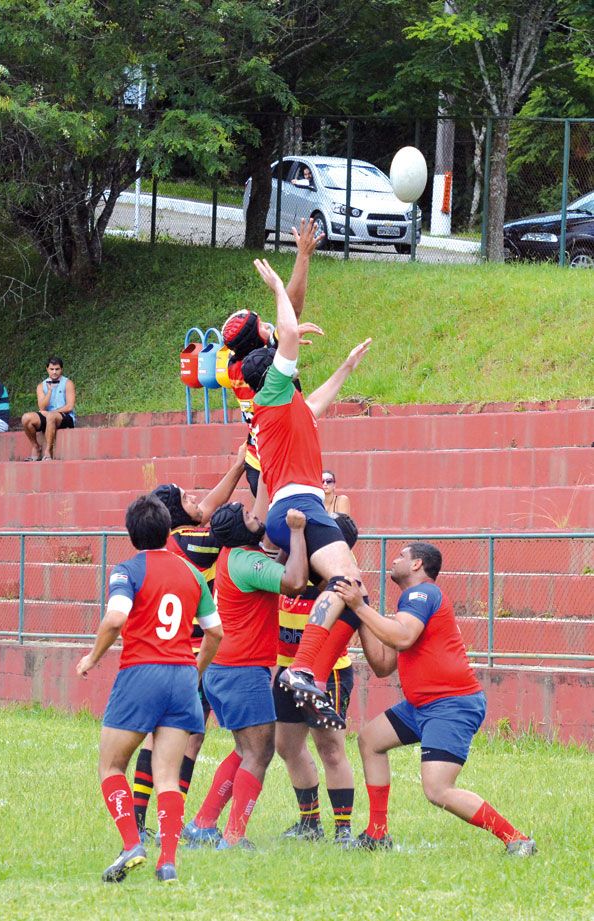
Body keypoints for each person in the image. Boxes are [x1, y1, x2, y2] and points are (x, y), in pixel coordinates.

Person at [333, 541, 537, 857]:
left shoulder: (422, 593)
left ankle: (518, 839)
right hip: (423, 705)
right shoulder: (410, 602)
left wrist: (361, 607)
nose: (394, 559)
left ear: (417, 565)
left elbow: (402, 637)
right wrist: (361, 619)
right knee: (370, 739)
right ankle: (377, 834)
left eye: (401, 555)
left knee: (437, 789)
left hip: (450, 704)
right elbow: (384, 665)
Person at [240, 258, 372, 713]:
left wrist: (347, 368)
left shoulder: (285, 411)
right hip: (299, 505)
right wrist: (278, 286)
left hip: (292, 507)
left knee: (356, 595)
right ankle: (304, 669)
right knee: (347, 583)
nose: (295, 373)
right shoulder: (272, 395)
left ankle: (309, 672)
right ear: (274, 377)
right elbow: (290, 337)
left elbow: (317, 402)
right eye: (287, 369)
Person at [76, 493, 223, 884]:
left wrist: (92, 657)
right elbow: (215, 632)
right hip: (181, 678)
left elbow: (115, 619)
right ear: (167, 530)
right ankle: (168, 863)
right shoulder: (192, 573)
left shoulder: (127, 569)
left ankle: (131, 844)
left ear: (130, 533)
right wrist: (195, 672)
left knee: (110, 766)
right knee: (168, 777)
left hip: (142, 673)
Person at [129, 445, 247, 839]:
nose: (198, 499)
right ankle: (160, 822)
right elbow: (219, 516)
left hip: (173, 655)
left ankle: (150, 820)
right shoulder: (192, 544)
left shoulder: (178, 538)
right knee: (183, 740)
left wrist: (236, 464)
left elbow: (211, 504)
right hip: (192, 657)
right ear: (178, 515)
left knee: (175, 737)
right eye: (187, 497)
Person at [184, 500, 308, 850]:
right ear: (241, 531)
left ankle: (203, 823)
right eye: (249, 517)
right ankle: (234, 837)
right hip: (241, 671)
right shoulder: (246, 560)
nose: (257, 517)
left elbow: (270, 577)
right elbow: (295, 582)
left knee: (244, 750)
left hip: (224, 669)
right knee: (259, 753)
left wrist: (283, 551)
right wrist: (297, 533)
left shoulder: (232, 557)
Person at [275, 513, 360, 847]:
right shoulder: (294, 570)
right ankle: (309, 822)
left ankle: (343, 830)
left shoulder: (339, 585)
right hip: (286, 669)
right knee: (287, 746)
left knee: (330, 749)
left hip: (328, 674)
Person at [222, 218, 324, 495]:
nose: (269, 325)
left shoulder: (235, 365)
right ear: (261, 340)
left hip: (258, 460)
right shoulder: (267, 363)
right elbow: (293, 309)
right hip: (278, 465)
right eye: (264, 327)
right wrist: (303, 256)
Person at [21, 356, 76, 461]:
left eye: (57, 369)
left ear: (61, 369)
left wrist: (51, 413)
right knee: (26, 418)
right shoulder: (41, 385)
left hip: (65, 416)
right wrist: (50, 391)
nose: (54, 372)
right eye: (52, 369)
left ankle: (48, 451)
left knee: (50, 416)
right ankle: (36, 447)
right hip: (48, 416)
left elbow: (70, 406)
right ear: (47, 369)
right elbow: (41, 406)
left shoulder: (68, 383)